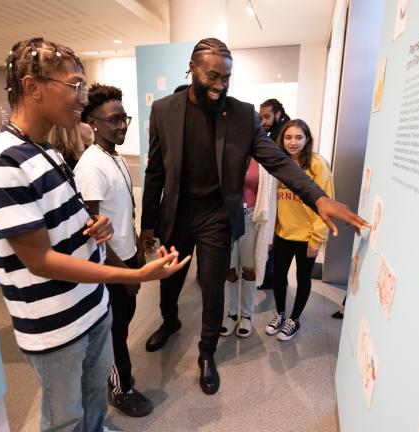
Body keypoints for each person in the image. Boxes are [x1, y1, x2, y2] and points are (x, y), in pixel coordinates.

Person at [0, 37, 189, 432]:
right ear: (33, 86)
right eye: (73, 86)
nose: (80, 98)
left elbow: (69, 223)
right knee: (65, 419)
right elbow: (39, 260)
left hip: (90, 306)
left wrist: (97, 227)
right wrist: (133, 275)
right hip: (55, 325)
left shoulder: (47, 151)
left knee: (91, 405)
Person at [140, 38, 368, 395]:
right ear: (193, 68)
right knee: (170, 280)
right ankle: (169, 322)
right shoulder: (164, 110)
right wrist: (148, 224)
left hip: (217, 215)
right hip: (178, 213)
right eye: (212, 75)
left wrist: (318, 199)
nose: (219, 84)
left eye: (226, 77)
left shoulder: (242, 115)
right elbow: (154, 170)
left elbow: (277, 161)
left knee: (214, 287)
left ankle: (206, 352)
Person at [75, 84, 152, 417]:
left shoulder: (114, 156)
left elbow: (121, 213)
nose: (122, 126)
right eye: (114, 120)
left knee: (122, 324)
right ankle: (121, 388)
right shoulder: (90, 166)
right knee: (114, 331)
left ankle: (116, 378)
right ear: (92, 122)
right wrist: (124, 273)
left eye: (124, 118)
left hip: (126, 256)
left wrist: (137, 251)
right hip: (111, 266)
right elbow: (93, 233)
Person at [265, 119, 334, 341]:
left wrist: (317, 239)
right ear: (281, 139)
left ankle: (294, 319)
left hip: (307, 237)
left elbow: (326, 202)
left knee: (303, 278)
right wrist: (270, 233)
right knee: (277, 277)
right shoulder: (278, 164)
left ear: (307, 140)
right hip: (283, 233)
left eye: (298, 137)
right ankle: (280, 314)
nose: (292, 142)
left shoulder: (316, 165)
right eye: (288, 137)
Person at [221, 157, 276, 337]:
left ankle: (246, 316)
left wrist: (269, 237)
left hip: (251, 219)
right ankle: (231, 313)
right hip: (227, 218)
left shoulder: (262, 159)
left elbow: (271, 200)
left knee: (249, 270)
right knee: (229, 270)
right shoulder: (228, 154)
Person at [258, 98, 290, 291]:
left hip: (283, 195)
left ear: (278, 114)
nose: (264, 121)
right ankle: (273, 277)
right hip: (279, 194)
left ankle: (274, 279)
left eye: (267, 117)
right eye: (261, 117)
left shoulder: (282, 133)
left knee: (276, 239)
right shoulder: (275, 133)